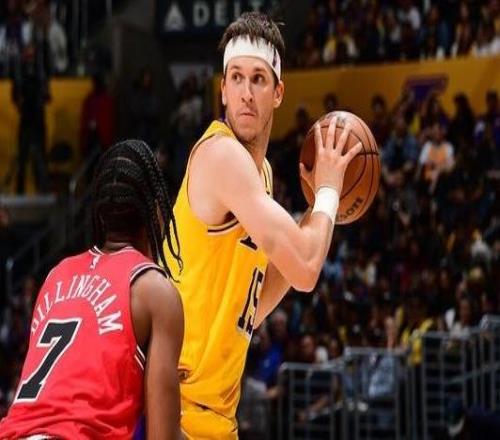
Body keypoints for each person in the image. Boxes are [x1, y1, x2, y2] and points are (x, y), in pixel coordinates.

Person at [164, 11, 362, 438]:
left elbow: (251, 308)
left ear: (278, 92)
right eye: (235, 78)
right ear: (222, 89)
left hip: (215, 416)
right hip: (174, 410)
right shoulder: (221, 156)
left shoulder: (263, 176)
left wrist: (313, 214)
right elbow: (307, 270)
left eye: (258, 79)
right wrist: (329, 192)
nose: (245, 93)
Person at [0, 140, 184, 439]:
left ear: (98, 215)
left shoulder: (56, 277)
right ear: (158, 213)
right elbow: (163, 436)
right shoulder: (153, 290)